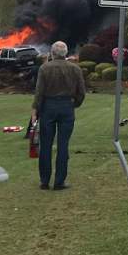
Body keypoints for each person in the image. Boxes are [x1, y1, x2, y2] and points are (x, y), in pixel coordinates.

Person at [31, 41, 86, 190]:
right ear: (66, 53)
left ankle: (44, 180)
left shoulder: (44, 68)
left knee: (46, 145)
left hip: (48, 106)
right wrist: (74, 104)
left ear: (52, 53)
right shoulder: (75, 69)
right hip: (66, 106)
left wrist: (35, 109)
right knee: (63, 145)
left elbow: (39, 92)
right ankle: (59, 181)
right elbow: (81, 92)